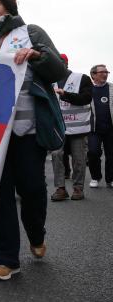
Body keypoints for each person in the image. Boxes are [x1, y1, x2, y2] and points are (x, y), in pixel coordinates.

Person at [0, 0, 66, 281]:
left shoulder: (30, 32)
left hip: (27, 129)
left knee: (32, 189)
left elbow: (57, 69)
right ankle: (6, 259)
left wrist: (35, 56)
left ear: (8, 7)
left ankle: (37, 234)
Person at [50, 54, 92, 201]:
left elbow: (86, 98)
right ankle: (60, 189)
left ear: (65, 63)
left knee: (79, 159)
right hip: (58, 128)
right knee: (56, 156)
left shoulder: (83, 78)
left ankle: (78, 188)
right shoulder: (49, 81)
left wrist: (66, 94)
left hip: (78, 128)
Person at [87, 64, 113, 188]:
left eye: (106, 72)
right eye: (102, 72)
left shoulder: (111, 88)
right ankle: (95, 177)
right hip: (93, 129)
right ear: (93, 75)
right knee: (93, 152)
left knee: (111, 154)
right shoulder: (88, 89)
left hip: (110, 128)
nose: (105, 74)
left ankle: (110, 179)